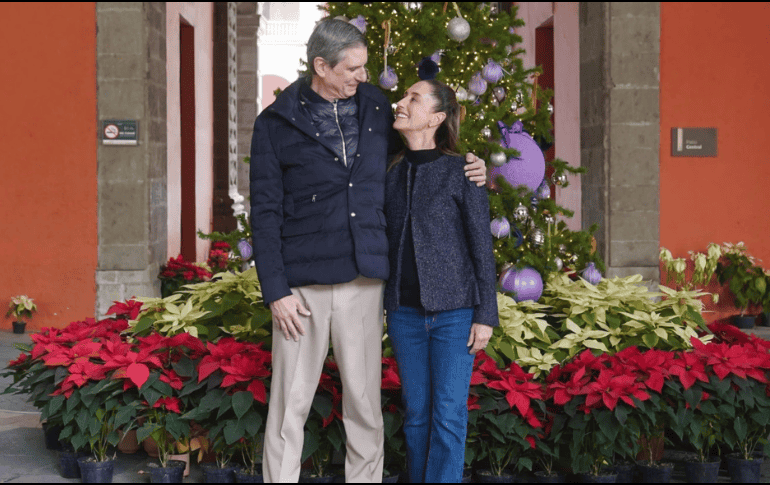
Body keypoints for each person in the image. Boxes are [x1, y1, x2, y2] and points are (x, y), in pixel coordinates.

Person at [249, 19, 487, 483]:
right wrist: (276, 290)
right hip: (301, 288)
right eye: (353, 69)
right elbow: (265, 213)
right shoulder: (274, 124)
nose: (364, 77)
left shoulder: (377, 108)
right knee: (287, 409)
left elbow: (427, 146)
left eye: (363, 68)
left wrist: (471, 163)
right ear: (322, 65)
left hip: (364, 280)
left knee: (365, 408)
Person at [383, 79, 499, 483]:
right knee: (416, 414)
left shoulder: (462, 171)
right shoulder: (389, 171)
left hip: (455, 314)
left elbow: (482, 248)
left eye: (413, 98)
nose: (401, 102)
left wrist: (486, 314)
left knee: (448, 415)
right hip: (404, 315)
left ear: (435, 117)